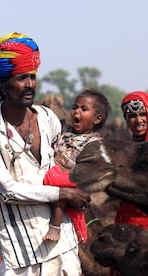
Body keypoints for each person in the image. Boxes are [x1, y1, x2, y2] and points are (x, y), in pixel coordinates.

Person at [0, 32, 90, 276]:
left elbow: (59, 169)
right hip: (20, 255)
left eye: (32, 77)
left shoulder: (48, 118)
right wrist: (63, 192)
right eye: (22, 78)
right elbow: (8, 190)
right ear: (2, 84)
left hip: (63, 246)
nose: (30, 85)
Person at [42, 89, 110, 243]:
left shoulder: (94, 143)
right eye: (75, 107)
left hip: (72, 179)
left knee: (59, 191)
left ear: (97, 119)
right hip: (55, 173)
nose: (76, 112)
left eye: (84, 109)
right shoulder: (64, 133)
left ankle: (55, 226)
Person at [115, 91, 148, 228]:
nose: (138, 120)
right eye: (132, 116)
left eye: (142, 114)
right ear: (126, 120)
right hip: (128, 217)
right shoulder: (128, 148)